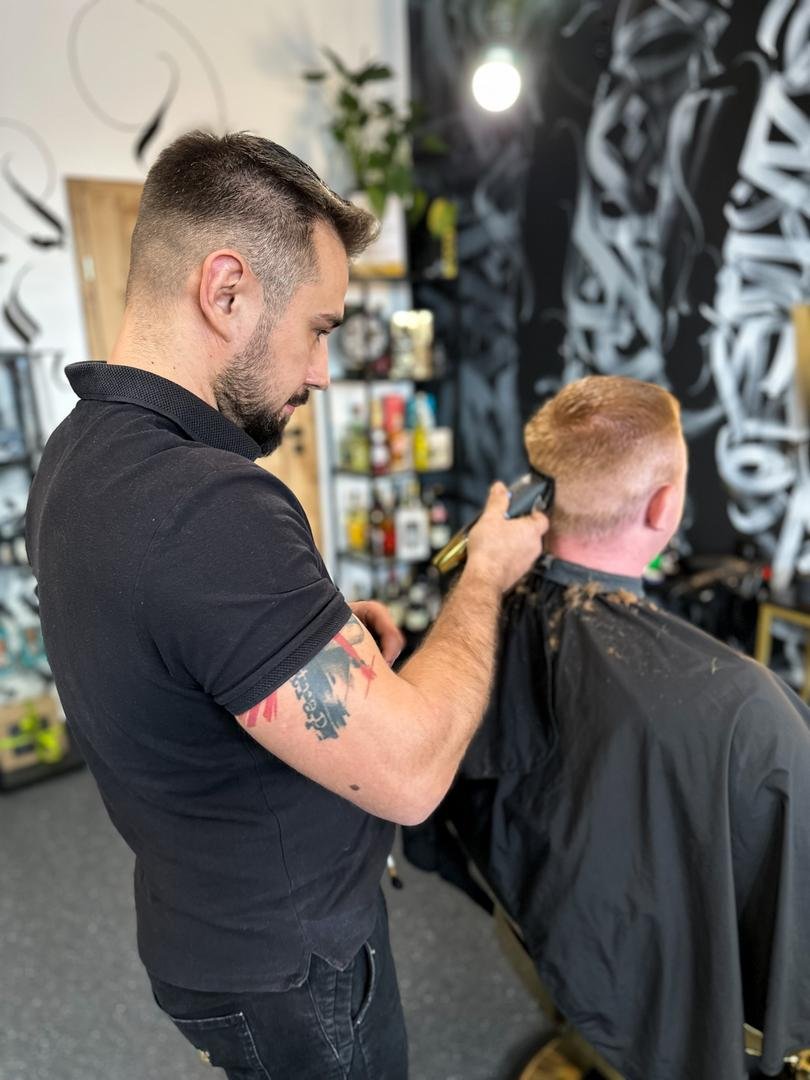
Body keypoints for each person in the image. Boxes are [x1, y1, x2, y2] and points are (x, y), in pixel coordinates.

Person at [24, 131, 547, 1080]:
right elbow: (413, 773)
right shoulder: (210, 508)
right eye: (319, 328)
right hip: (293, 973)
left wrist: (314, 637)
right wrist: (484, 578)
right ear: (226, 291)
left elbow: (180, 648)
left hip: (198, 924)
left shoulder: (79, 454)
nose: (321, 372)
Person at [440, 376, 810, 1080]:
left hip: (535, 930)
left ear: (537, 490)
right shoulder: (746, 708)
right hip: (658, 999)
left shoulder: (475, 617)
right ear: (665, 506)